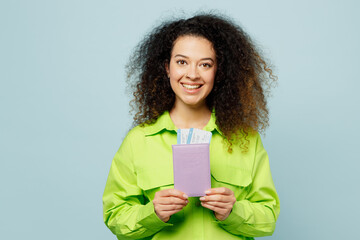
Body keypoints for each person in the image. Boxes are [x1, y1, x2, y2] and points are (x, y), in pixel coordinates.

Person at [103, 13, 280, 240]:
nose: (193, 74)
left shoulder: (246, 139)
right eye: (182, 62)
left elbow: (268, 220)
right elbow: (115, 217)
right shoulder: (139, 140)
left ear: (219, 71)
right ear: (167, 68)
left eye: (205, 64)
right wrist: (153, 213)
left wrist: (233, 212)